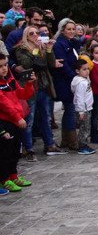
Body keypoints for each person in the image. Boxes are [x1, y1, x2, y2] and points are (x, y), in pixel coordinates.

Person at [13, 26, 61, 159]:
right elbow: (28, 64)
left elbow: (51, 64)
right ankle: (28, 149)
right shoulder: (21, 49)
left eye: (37, 33)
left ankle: (50, 144)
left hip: (43, 86)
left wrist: (49, 49)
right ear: (26, 36)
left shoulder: (42, 48)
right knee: (30, 119)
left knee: (46, 117)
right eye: (31, 33)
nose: (35, 35)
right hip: (30, 87)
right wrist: (35, 50)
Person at [0, 52, 35, 192]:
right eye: (0, 66)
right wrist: (17, 117)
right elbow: (4, 104)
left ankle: (13, 176)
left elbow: (23, 94)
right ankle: (4, 179)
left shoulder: (9, 80)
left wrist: (29, 84)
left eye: (5, 65)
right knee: (5, 153)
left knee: (15, 151)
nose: (4, 68)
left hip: (17, 120)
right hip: (6, 121)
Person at [52, 18, 81, 150]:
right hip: (66, 81)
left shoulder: (74, 42)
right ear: (62, 30)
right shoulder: (59, 44)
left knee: (71, 109)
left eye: (73, 29)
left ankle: (67, 139)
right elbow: (63, 64)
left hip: (74, 79)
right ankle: (71, 140)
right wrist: (75, 77)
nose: (71, 31)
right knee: (70, 109)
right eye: (68, 29)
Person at [71, 57, 97, 155]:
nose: (87, 71)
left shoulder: (84, 80)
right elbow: (79, 97)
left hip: (87, 108)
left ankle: (84, 144)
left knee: (86, 127)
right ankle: (82, 146)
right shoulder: (81, 83)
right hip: (83, 109)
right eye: (84, 69)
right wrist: (81, 111)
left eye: (87, 69)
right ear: (77, 71)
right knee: (84, 128)